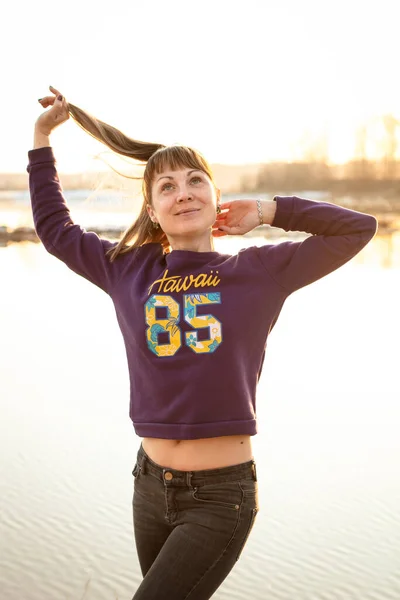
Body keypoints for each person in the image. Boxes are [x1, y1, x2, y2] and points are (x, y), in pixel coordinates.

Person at [28, 85, 378, 600]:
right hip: (149, 486)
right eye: (167, 186)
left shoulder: (259, 272)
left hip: (221, 498)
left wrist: (267, 211)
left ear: (216, 198)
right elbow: (55, 229)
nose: (183, 191)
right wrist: (41, 138)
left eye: (195, 180)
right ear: (152, 209)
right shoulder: (126, 269)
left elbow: (357, 229)